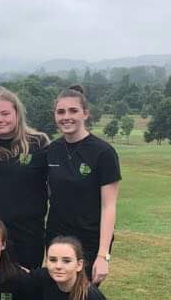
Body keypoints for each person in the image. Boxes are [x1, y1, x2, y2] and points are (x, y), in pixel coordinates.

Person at [45, 85, 121, 284]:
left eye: (73, 111)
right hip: (56, 240)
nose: (66, 117)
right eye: (60, 112)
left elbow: (109, 206)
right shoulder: (51, 150)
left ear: (86, 114)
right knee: (58, 299)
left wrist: (103, 255)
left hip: (89, 241)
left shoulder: (103, 153)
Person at [0, 86, 50, 270]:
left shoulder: (39, 143)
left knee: (25, 291)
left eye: (5, 113)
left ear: (17, 113)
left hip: (28, 236)